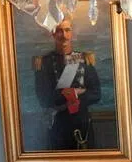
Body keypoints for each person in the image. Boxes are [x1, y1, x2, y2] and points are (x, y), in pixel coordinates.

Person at [34, 19, 101, 150]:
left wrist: (73, 96)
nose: (64, 35)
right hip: (58, 126)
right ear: (53, 34)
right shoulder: (44, 63)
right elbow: (44, 100)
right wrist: (74, 92)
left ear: (72, 33)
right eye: (59, 31)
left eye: (67, 30)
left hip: (82, 125)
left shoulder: (84, 59)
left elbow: (96, 94)